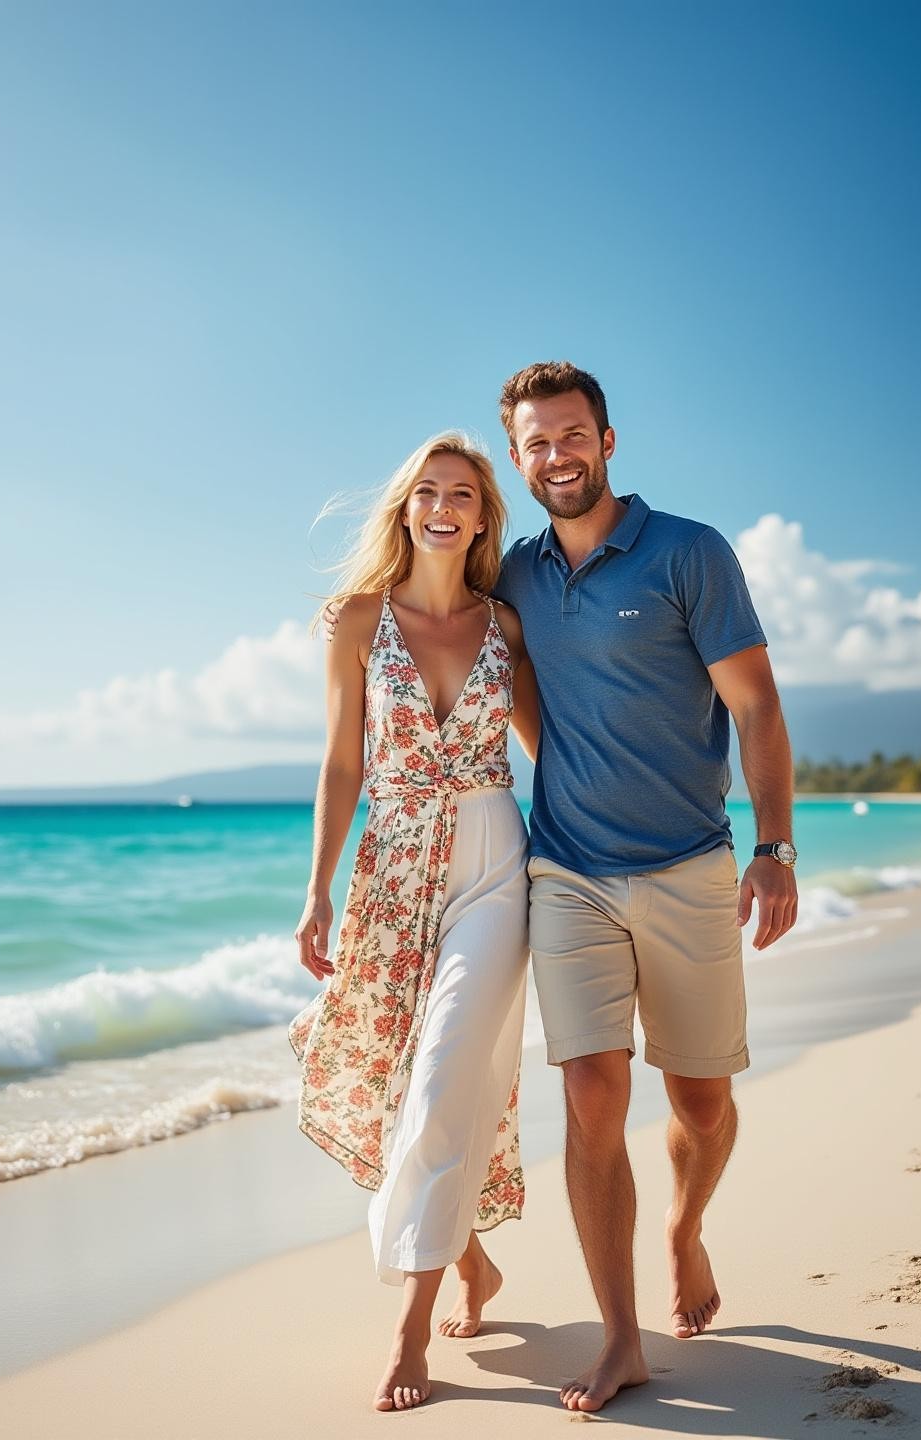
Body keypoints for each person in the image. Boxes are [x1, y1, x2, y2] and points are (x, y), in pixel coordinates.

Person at [492, 360, 799, 1412]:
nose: (555, 455)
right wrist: (562, 773)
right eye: (534, 442)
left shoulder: (686, 553)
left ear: (607, 441)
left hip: (687, 865)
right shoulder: (516, 577)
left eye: (570, 434)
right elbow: (514, 691)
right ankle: (620, 1334)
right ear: (517, 456)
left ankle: (682, 1225)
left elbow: (755, 708)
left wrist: (774, 849)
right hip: (567, 869)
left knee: (700, 1101)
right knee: (588, 1095)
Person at [289, 432, 540, 1413]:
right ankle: (468, 1261)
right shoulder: (355, 620)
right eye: (425, 492)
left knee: (442, 1075)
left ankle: (407, 1334)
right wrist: (316, 890)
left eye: (462, 494)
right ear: (403, 509)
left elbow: (549, 752)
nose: (442, 506)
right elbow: (341, 763)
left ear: (483, 517)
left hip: (490, 862)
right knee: (398, 1084)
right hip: (388, 867)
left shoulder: (505, 629)